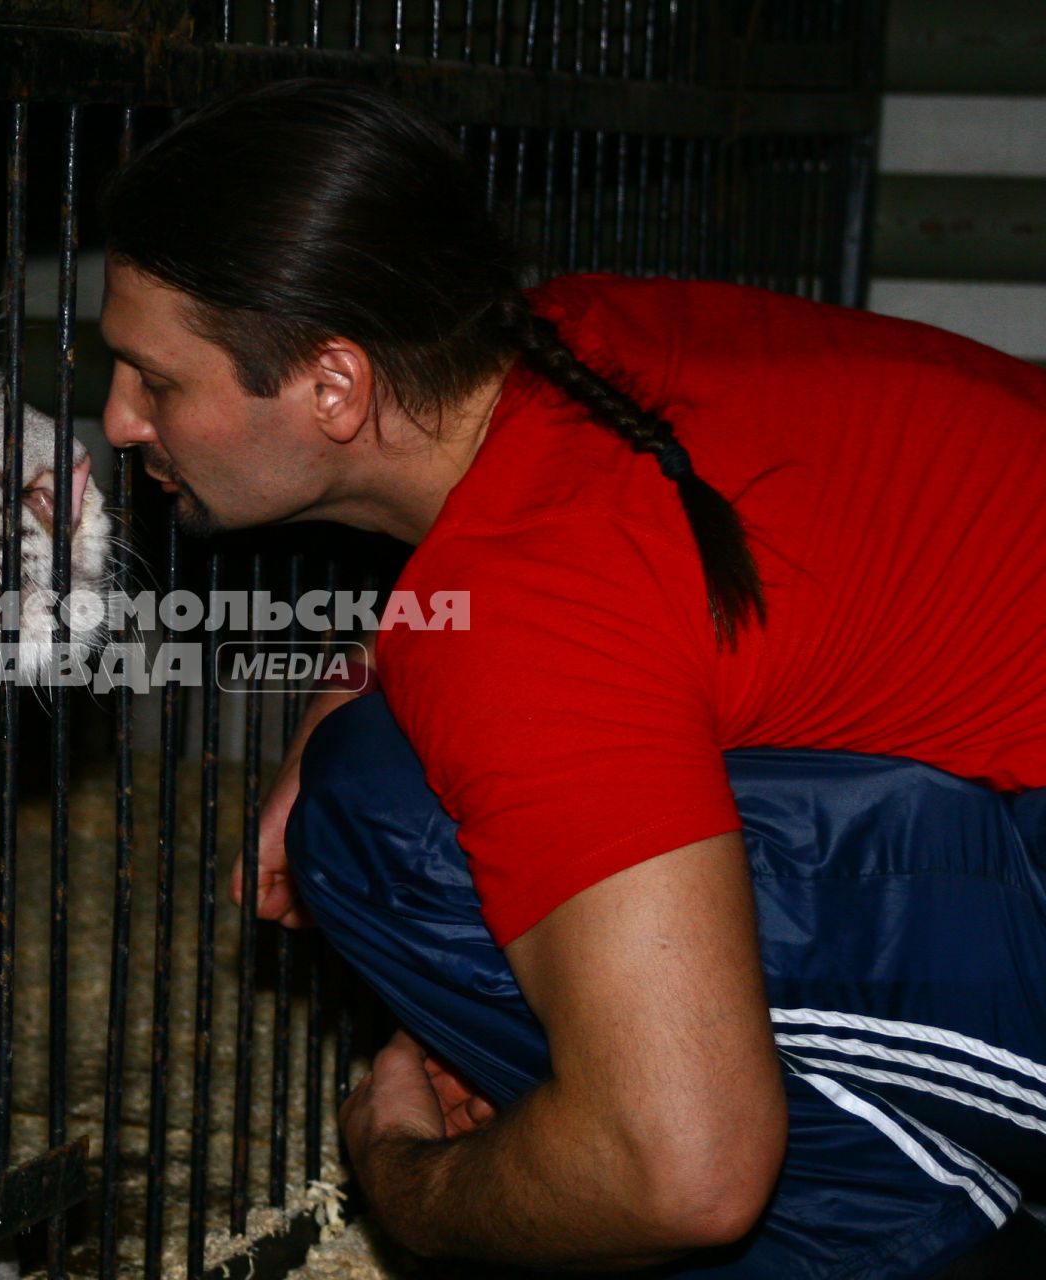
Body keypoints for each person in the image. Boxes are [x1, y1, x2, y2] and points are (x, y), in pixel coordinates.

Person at [95, 79, 1046, 1276]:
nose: (121, 420)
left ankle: (926, 1238)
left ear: (334, 386)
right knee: (391, 755)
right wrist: (362, 671)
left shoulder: (521, 612)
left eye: (157, 379)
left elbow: (687, 1172)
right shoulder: (578, 336)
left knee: (383, 823)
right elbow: (591, 588)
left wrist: (407, 1178)